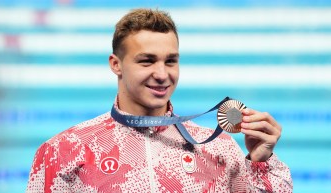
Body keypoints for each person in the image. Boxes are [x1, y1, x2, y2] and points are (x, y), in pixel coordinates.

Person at [26, 8, 293, 192]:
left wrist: (260, 162)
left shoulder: (219, 149)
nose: (162, 74)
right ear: (116, 65)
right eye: (147, 61)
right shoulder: (64, 151)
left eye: (171, 61)